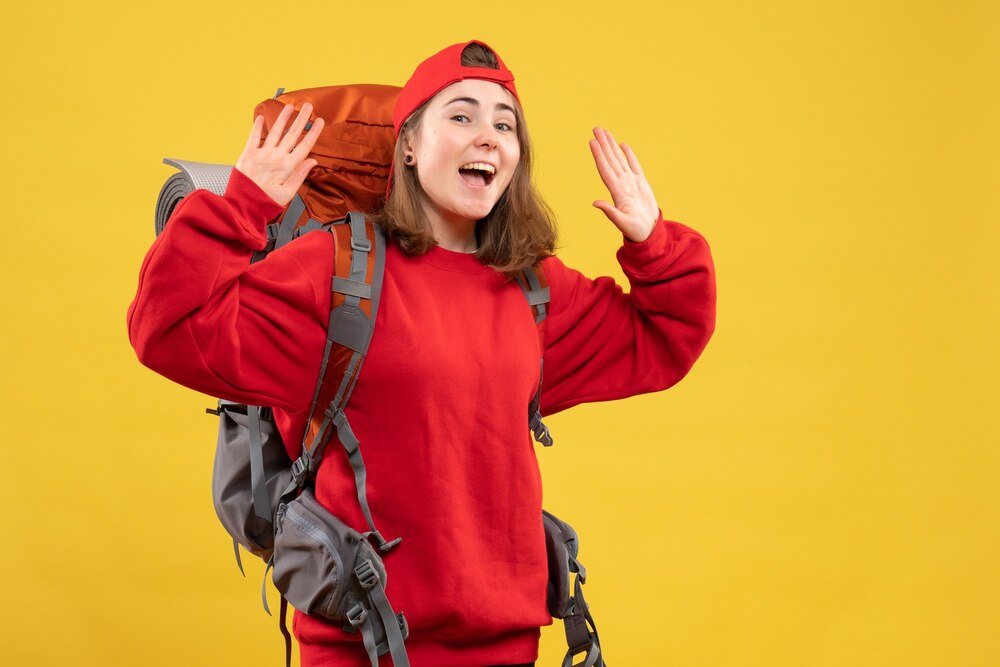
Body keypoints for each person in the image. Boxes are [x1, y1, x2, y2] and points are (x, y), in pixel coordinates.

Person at [128, 40, 716, 667]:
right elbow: (168, 328)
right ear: (408, 144)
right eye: (461, 115)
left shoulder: (533, 287)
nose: (487, 136)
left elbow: (666, 336)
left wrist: (653, 242)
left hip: (510, 648)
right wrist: (242, 204)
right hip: (362, 647)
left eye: (504, 123)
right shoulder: (336, 271)